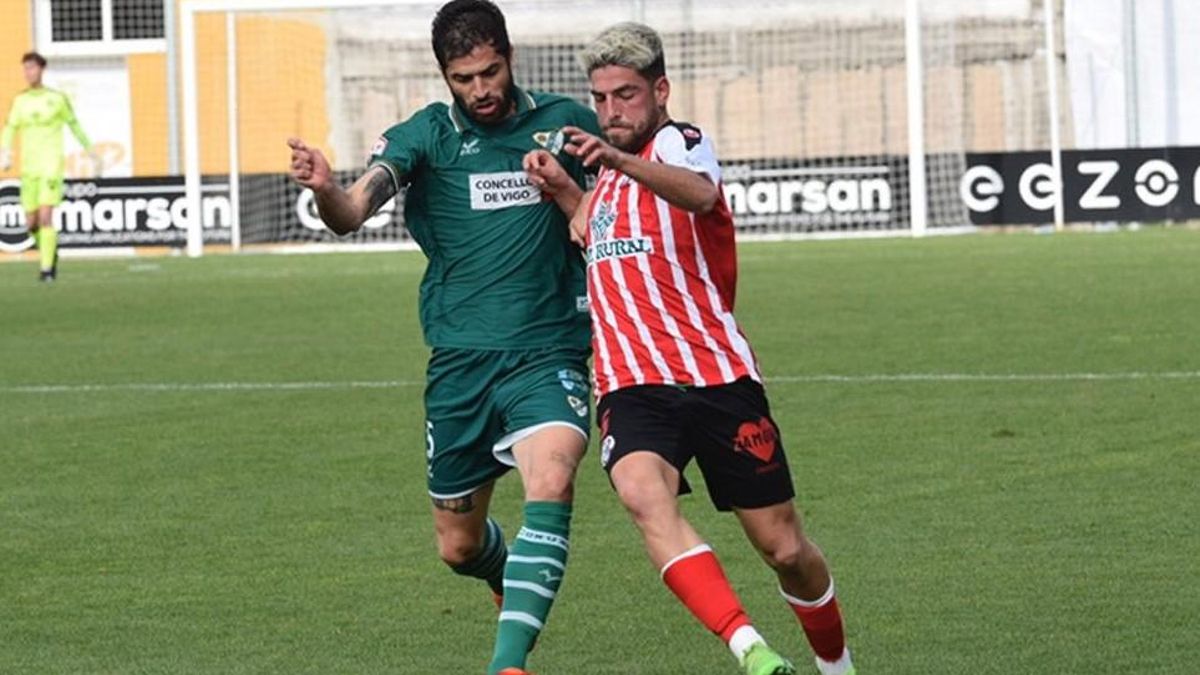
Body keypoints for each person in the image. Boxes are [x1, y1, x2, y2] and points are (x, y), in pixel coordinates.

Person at [524, 22, 855, 675]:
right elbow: (601, 236)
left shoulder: (682, 143)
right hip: (632, 382)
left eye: (625, 94)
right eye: (601, 98)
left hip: (715, 375)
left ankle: (838, 666)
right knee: (642, 493)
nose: (612, 111)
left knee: (784, 547)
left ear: (660, 89)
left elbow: (700, 193)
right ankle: (751, 649)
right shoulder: (608, 182)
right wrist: (566, 191)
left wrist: (615, 159)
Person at [287, 2, 601, 673]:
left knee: (552, 476)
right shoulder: (424, 136)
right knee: (458, 546)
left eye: (490, 71)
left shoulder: (567, 124)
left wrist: (573, 196)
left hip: (549, 349)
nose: (481, 89)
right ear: (445, 77)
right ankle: (509, 578)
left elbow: (615, 215)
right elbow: (351, 211)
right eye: (464, 78)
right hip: (460, 362)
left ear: (510, 56)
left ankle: (507, 664)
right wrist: (324, 188)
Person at [1, 51, 98, 282]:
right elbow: (10, 128)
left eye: (32, 68)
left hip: (51, 166)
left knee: (46, 217)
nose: (29, 73)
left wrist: (90, 150)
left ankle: (46, 270)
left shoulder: (57, 99)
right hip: (29, 168)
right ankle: (50, 250)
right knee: (31, 223)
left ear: (41, 69)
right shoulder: (20, 101)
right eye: (25, 68)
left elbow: (74, 125)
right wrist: (5, 152)